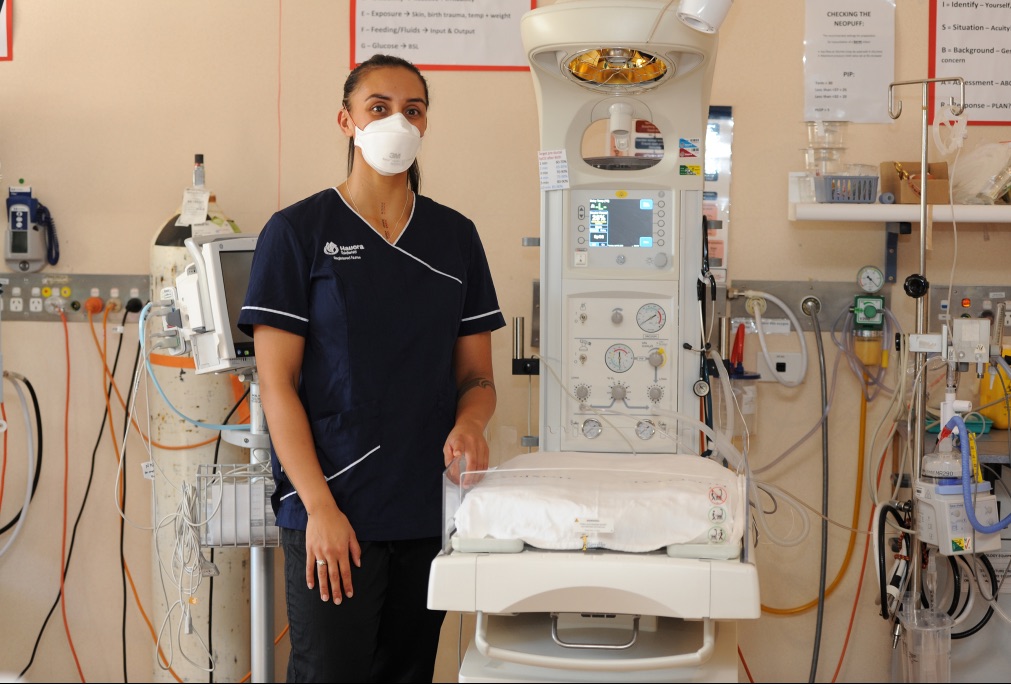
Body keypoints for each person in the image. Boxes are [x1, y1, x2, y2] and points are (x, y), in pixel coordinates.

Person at [238, 54, 506, 683]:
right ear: (346, 121)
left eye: (412, 110)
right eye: (378, 107)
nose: (397, 121)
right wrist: (318, 508)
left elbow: (478, 379)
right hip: (332, 507)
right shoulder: (297, 232)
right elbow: (276, 384)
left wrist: (472, 424)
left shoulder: (455, 237)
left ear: (426, 125)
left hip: (424, 506)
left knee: (409, 672)